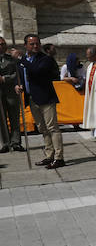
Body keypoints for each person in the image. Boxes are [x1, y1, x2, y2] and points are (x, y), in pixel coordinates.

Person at [14, 34, 64, 167]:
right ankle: (49, 154)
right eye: (32, 44)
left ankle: (59, 157)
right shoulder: (23, 60)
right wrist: (18, 85)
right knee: (42, 129)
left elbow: (36, 71)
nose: (35, 46)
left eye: (37, 43)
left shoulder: (45, 59)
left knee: (52, 127)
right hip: (32, 98)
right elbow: (19, 74)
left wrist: (21, 58)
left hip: (45, 98)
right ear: (26, 45)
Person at [0, 37, 24, 152]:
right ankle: (4, 143)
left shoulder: (12, 59)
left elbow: (17, 74)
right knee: (1, 119)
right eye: (0, 44)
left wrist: (5, 78)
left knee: (14, 118)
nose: (2, 46)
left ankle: (16, 142)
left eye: (3, 44)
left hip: (11, 91)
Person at [81, 46, 96, 138]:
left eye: (89, 56)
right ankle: (94, 129)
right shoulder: (90, 66)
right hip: (91, 93)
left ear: (95, 55)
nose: (87, 58)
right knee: (93, 111)